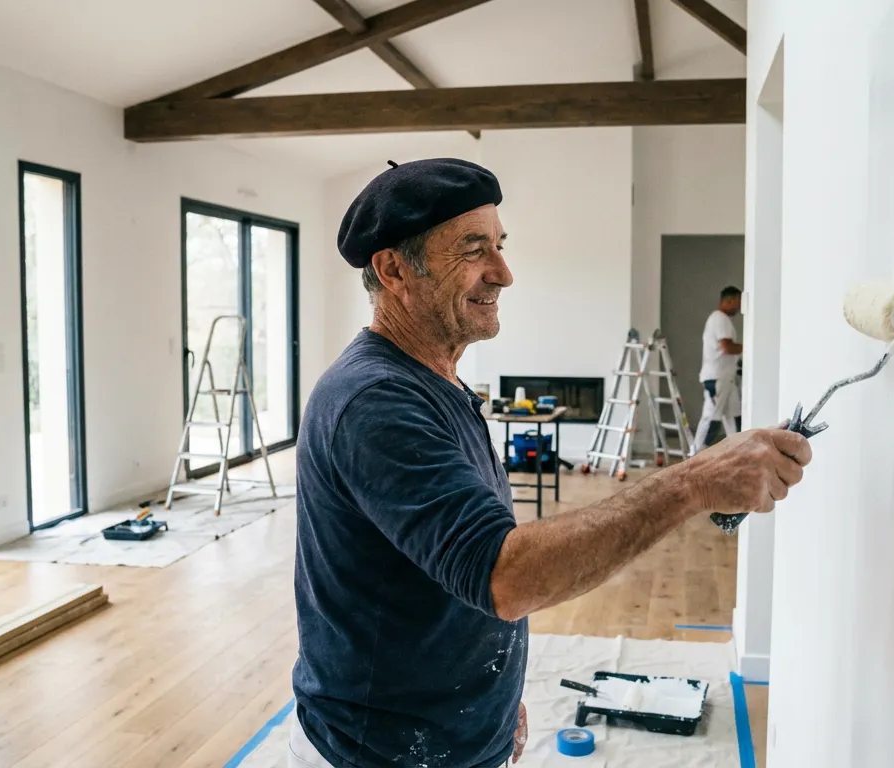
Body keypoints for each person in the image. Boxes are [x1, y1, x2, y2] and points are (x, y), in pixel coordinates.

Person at [289, 158, 811, 768]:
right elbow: (502, 576)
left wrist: (494, 698)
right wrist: (693, 483)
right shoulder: (375, 402)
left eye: (501, 245)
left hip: (448, 737)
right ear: (394, 268)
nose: (504, 273)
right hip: (379, 754)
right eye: (473, 249)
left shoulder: (439, 380)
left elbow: (454, 565)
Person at [693, 285, 745, 452]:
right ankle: (696, 454)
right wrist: (749, 348)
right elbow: (727, 347)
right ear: (727, 301)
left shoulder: (721, 319)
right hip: (717, 378)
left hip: (726, 377)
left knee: (734, 416)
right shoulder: (720, 318)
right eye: (737, 302)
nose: (739, 307)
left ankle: (738, 452)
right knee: (712, 417)